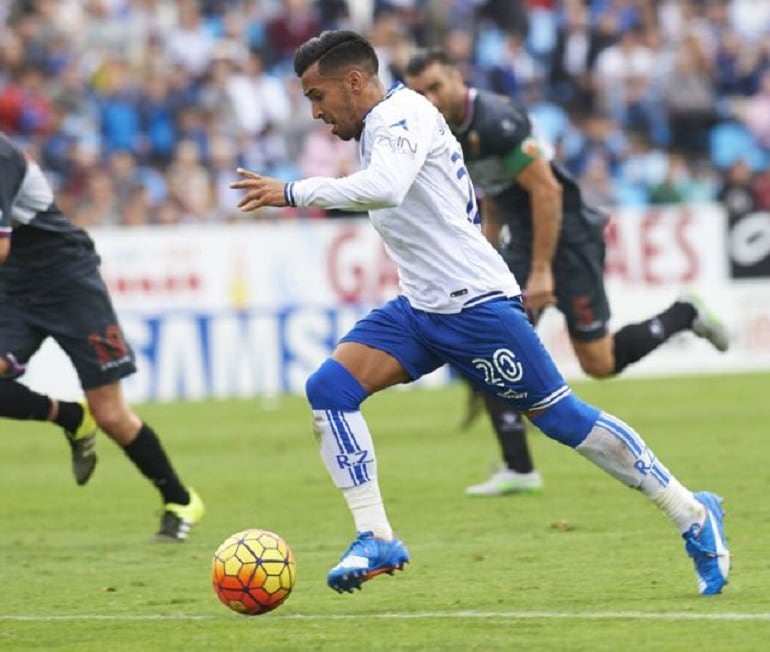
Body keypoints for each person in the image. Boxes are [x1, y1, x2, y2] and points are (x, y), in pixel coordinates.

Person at [231, 30, 729, 597]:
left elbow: (387, 189)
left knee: (564, 418)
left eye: (317, 97)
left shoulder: (402, 115)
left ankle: (691, 512)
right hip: (421, 308)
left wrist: (292, 191)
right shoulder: (376, 127)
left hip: (474, 305)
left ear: (353, 81)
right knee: (330, 390)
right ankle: (375, 536)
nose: (316, 113)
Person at [402, 48, 730, 497]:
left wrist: (541, 271)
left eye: (436, 87)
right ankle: (519, 468)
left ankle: (683, 313)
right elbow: (494, 194)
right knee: (492, 337)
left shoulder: (497, 120)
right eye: (420, 92)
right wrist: (482, 246)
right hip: (521, 236)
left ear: (457, 79)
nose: (430, 98)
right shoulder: (445, 131)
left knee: (599, 362)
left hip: (568, 236)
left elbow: (549, 192)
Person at [0, 131, 204, 541]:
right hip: (15, 288)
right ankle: (70, 416)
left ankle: (181, 500)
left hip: (68, 282)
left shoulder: (2, 157)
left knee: (111, 414)